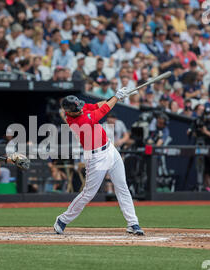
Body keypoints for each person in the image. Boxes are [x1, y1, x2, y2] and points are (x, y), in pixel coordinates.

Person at [53, 90, 144, 236]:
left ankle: (133, 223)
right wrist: (115, 98)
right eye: (77, 109)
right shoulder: (78, 121)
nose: (81, 108)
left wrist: (115, 98)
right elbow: (103, 110)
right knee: (88, 193)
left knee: (122, 187)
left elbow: (97, 105)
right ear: (69, 112)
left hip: (110, 149)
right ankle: (62, 220)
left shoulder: (80, 110)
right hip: (96, 157)